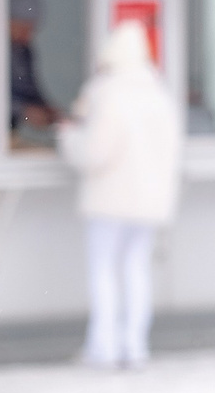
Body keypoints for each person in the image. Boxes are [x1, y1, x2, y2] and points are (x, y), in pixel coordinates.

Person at [59, 19, 184, 370]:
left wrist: (68, 138)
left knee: (103, 271)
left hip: (109, 200)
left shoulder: (106, 92)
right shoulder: (160, 95)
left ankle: (104, 348)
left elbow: (95, 152)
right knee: (136, 270)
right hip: (150, 201)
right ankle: (136, 347)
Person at [8, 0, 64, 144]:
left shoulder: (23, 51)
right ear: (7, 21)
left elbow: (29, 88)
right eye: (23, 29)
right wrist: (23, 111)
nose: (28, 36)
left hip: (10, 134)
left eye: (32, 30)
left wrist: (47, 109)